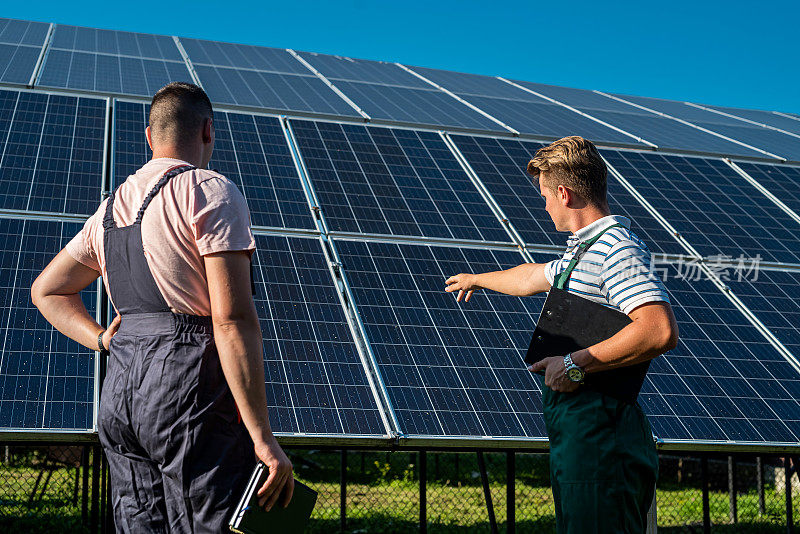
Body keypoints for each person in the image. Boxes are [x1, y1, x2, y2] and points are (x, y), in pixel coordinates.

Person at [31, 82, 293, 532]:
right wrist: (262, 437)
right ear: (209, 131)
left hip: (119, 392)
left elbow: (47, 291)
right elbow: (231, 320)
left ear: (149, 136)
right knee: (207, 522)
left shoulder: (110, 207)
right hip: (187, 385)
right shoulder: (210, 190)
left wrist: (100, 337)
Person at [445, 136, 679, 534]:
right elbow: (531, 275)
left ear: (564, 194)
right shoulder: (581, 252)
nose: (545, 206)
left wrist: (574, 363)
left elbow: (658, 329)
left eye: (545, 197)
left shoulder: (617, 249)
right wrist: (477, 279)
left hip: (602, 436)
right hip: (580, 436)